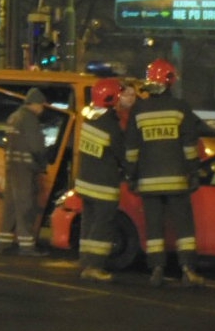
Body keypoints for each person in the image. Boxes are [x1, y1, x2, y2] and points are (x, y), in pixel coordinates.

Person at [125, 58, 204, 287]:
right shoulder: (180, 108)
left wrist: (132, 176)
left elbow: (131, 149)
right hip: (177, 181)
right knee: (184, 227)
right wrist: (194, 172)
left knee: (154, 226)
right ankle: (188, 270)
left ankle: (156, 270)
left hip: (148, 183)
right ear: (170, 81)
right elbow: (189, 146)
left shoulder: (138, 109)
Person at [75, 78, 128, 282]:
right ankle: (95, 267)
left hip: (86, 182)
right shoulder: (110, 126)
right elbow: (122, 155)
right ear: (111, 98)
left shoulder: (91, 119)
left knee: (88, 223)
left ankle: (85, 261)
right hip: (103, 186)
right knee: (102, 225)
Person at [0, 87, 49, 256]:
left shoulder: (14, 116)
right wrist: (42, 164)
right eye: (42, 106)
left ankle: (3, 244)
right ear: (37, 104)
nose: (42, 109)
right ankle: (27, 246)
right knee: (25, 206)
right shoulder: (29, 119)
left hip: (11, 166)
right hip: (25, 169)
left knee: (11, 206)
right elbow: (36, 147)